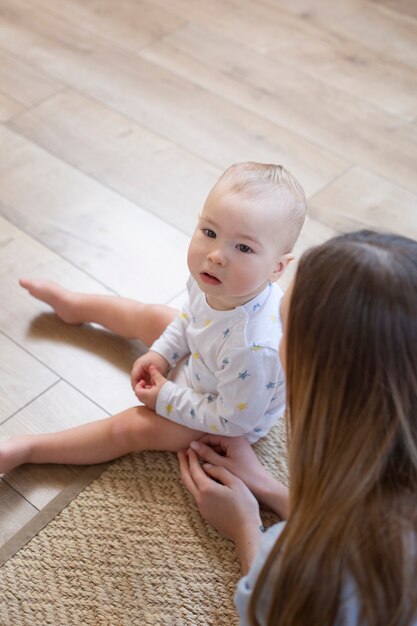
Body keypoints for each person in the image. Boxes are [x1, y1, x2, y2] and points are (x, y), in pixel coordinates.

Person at [0, 162, 306, 474]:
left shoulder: (254, 350)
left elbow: (232, 419)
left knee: (131, 427)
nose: (216, 255)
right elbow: (190, 319)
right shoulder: (216, 279)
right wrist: (162, 353)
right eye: (210, 232)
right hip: (208, 360)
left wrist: (166, 397)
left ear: (277, 268)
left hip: (223, 419)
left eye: (243, 247)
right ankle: (75, 305)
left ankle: (29, 449)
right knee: (151, 315)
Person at [179, 230, 417, 626]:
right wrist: (270, 488)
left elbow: (267, 611)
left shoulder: (302, 570)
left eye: (283, 329)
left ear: (320, 378)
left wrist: (246, 528)